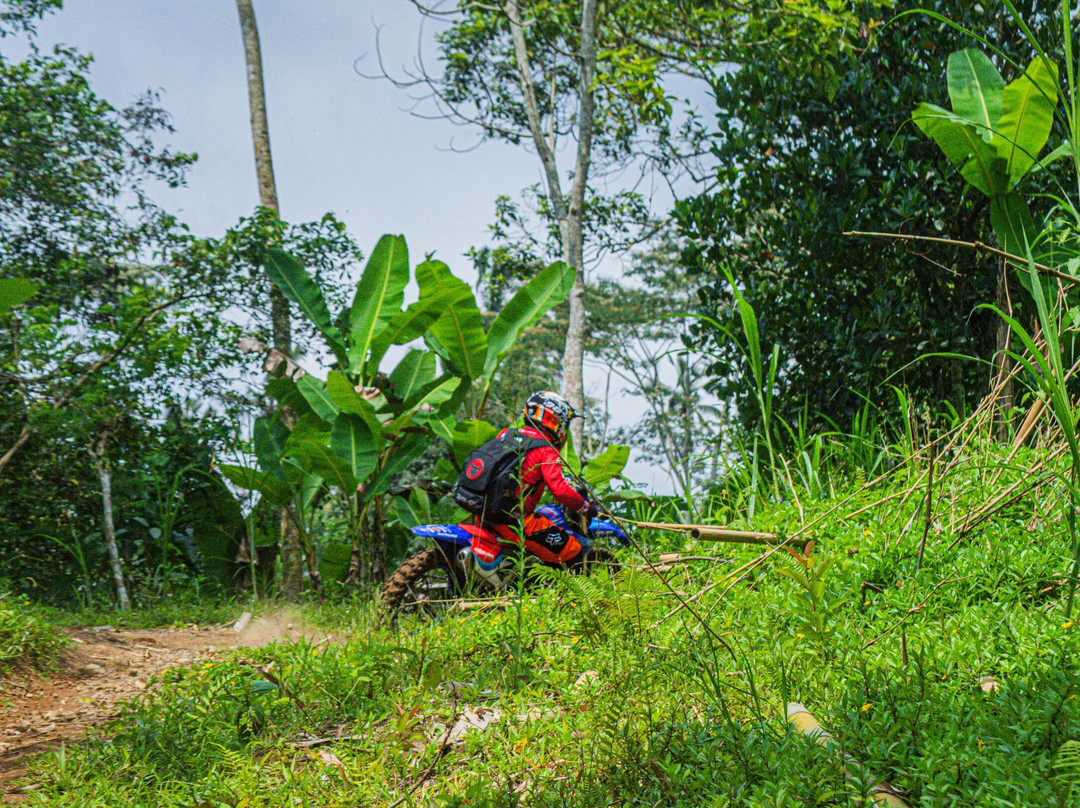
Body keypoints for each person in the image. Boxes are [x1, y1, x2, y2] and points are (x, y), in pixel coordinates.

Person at [458, 391, 596, 577]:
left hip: (483, 512)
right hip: (515, 520)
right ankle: (571, 602)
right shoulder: (546, 448)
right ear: (556, 421)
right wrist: (584, 506)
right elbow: (560, 490)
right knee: (574, 551)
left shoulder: (507, 434)